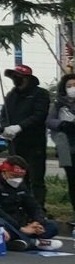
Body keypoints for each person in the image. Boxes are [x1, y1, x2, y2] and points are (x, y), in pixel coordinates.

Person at [0, 157, 62, 250]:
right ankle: (34, 242)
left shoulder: (20, 185)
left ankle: (19, 240)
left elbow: (33, 205)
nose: (17, 179)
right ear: (4, 171)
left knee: (52, 226)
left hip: (20, 222)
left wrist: (37, 222)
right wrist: (21, 229)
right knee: (2, 228)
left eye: (20, 177)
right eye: (14, 176)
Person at [0, 65, 52, 205]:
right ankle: (20, 205)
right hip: (15, 143)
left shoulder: (40, 94)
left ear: (28, 78)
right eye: (14, 77)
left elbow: (39, 115)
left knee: (36, 178)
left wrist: (20, 127)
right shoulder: (11, 95)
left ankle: (39, 207)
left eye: (19, 77)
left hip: (34, 143)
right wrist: (5, 128)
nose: (16, 80)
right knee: (17, 176)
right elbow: (3, 114)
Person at [46, 72, 75, 210]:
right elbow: (50, 121)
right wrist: (62, 124)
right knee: (72, 182)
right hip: (65, 149)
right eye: (69, 86)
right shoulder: (59, 105)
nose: (72, 88)